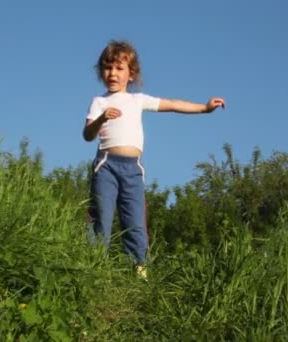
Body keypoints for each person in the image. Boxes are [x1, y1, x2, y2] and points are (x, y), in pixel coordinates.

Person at [82, 40, 225, 278]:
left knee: (135, 222)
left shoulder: (137, 100)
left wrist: (204, 108)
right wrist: (102, 119)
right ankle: (93, 268)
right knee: (102, 217)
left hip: (133, 169)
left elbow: (172, 104)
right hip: (106, 165)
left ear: (131, 73)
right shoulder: (100, 102)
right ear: (101, 72)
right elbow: (87, 135)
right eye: (107, 68)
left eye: (119, 68)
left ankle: (139, 271)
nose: (113, 74)